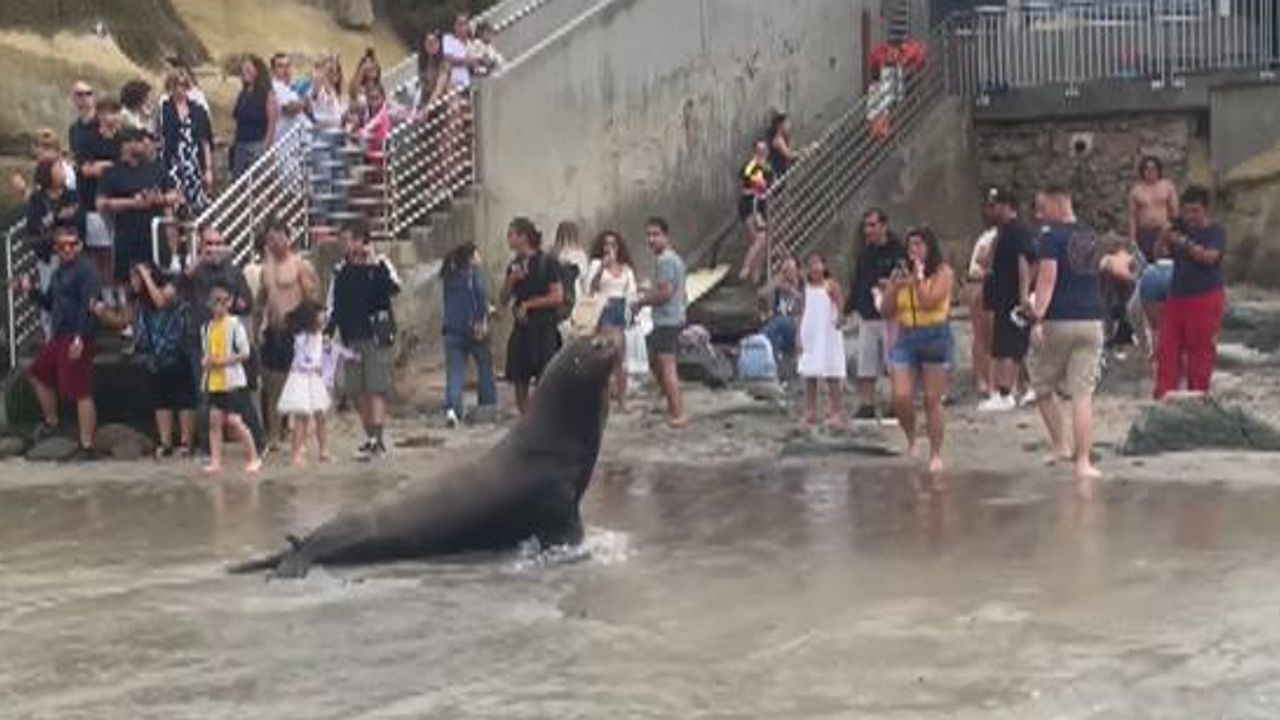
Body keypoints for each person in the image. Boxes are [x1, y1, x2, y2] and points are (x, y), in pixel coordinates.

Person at [1025, 187, 1105, 481]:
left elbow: (1047, 278)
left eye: (1042, 206)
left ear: (1060, 202)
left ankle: (1060, 446)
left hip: (1059, 319)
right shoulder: (1090, 235)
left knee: (1042, 384)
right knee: (1082, 395)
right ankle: (1083, 462)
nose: (1039, 214)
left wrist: (1037, 318)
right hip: (1092, 319)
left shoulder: (1050, 236)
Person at [182, 226, 267, 458]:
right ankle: (206, 449)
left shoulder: (233, 271)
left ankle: (259, 442)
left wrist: (239, 303)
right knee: (204, 396)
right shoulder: (194, 271)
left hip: (229, 342)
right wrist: (200, 259)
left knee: (239, 396)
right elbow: (180, 285)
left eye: (218, 243)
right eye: (209, 244)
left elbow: (248, 303)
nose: (214, 249)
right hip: (201, 340)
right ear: (200, 246)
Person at [21, 227, 101, 460]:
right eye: (62, 246)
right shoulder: (58, 273)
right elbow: (49, 303)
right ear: (56, 249)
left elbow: (91, 306)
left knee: (81, 390)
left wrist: (80, 337)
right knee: (37, 372)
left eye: (72, 244)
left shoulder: (88, 271)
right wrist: (31, 291)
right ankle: (52, 422)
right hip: (58, 336)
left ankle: (87, 445)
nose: (67, 249)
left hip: (78, 336)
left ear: (80, 245)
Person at [325, 221, 401, 459]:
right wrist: (329, 331)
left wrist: (372, 264)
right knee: (357, 391)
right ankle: (369, 436)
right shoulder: (341, 270)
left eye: (349, 239)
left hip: (376, 334)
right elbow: (334, 304)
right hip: (351, 335)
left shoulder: (380, 264)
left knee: (376, 388)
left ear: (362, 240)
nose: (345, 245)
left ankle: (377, 439)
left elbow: (392, 289)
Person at [883, 227, 955, 474]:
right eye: (911, 245)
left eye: (919, 245)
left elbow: (929, 300)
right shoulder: (901, 274)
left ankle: (936, 452)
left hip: (935, 334)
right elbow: (885, 310)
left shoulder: (943, 272)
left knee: (932, 400)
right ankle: (912, 439)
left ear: (930, 247)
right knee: (901, 396)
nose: (914, 250)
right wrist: (895, 286)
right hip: (906, 336)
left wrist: (919, 278)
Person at [98, 127, 180, 328]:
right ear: (125, 145)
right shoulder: (112, 173)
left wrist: (158, 199)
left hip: (154, 237)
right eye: (139, 141)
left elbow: (176, 195)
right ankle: (130, 329)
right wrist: (131, 202)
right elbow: (102, 203)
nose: (144, 145)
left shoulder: (156, 168)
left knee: (158, 279)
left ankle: (158, 328)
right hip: (126, 236)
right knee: (128, 285)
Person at [1155, 185, 1227, 400]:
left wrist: (1184, 243)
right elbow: (1159, 254)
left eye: (1195, 211)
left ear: (1205, 210)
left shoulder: (1215, 232)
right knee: (1167, 349)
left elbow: (1210, 258)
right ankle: (1164, 397)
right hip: (1177, 297)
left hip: (1206, 297)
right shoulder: (1179, 228)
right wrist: (1164, 236)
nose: (1190, 216)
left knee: (1200, 352)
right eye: (1186, 211)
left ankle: (1197, 397)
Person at [257, 219, 321, 452]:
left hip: (296, 331)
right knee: (272, 386)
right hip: (273, 331)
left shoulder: (300, 265)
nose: (274, 242)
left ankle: (300, 438)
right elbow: (262, 300)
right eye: (270, 238)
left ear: (288, 237)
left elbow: (312, 298)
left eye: (278, 237)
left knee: (298, 387)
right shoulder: (266, 267)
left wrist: (311, 333)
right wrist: (259, 328)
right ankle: (274, 436)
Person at [979, 187, 1036, 412]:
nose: (989, 211)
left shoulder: (1017, 230)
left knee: (1008, 347)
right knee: (1004, 344)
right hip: (1001, 296)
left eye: (994, 206)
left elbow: (1025, 261)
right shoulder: (1002, 232)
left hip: (1011, 298)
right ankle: (1016, 389)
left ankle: (1005, 393)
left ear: (1005, 206)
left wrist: (1023, 294)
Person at [501, 217, 564, 415]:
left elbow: (557, 296)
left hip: (543, 328)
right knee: (520, 378)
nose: (509, 240)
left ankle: (543, 416)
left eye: (512, 235)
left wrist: (530, 304)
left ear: (523, 236)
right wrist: (511, 281)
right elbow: (503, 298)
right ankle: (526, 417)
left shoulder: (547, 263)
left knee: (545, 378)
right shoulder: (514, 265)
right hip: (522, 329)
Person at [131, 262, 195, 458]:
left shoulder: (169, 292)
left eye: (136, 277)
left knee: (183, 398)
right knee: (161, 400)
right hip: (155, 358)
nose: (133, 282)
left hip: (177, 354)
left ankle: (185, 441)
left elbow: (160, 302)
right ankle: (165, 441)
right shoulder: (140, 304)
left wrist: (146, 276)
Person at [846, 207, 904, 420]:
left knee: (894, 364)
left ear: (883, 225)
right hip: (867, 315)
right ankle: (866, 404)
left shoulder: (897, 251)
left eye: (872, 225)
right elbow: (857, 283)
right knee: (866, 364)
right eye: (865, 226)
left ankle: (896, 404)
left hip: (890, 317)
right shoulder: (864, 254)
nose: (868, 230)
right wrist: (848, 309)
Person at [201, 279, 263, 475]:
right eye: (214, 301)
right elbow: (207, 352)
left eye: (221, 301)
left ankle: (253, 457)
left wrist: (223, 361)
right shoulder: (207, 328)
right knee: (214, 421)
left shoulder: (235, 325)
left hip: (233, 381)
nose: (217, 306)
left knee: (235, 422)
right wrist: (207, 362)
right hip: (215, 381)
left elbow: (245, 353)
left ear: (229, 303)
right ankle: (216, 461)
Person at [638, 217, 688, 428]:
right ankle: (672, 405)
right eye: (648, 235)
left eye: (656, 234)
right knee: (656, 361)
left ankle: (678, 413)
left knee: (667, 367)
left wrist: (642, 301)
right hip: (672, 318)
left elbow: (665, 293)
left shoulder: (665, 261)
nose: (651, 239)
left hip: (667, 320)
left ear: (666, 236)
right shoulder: (674, 259)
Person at [441, 241, 498, 427]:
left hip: (452, 329)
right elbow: (476, 301)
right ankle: (488, 405)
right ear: (471, 258)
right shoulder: (472, 277)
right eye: (477, 254)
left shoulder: (450, 277)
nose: (480, 258)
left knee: (455, 372)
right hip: (473, 330)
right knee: (485, 366)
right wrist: (480, 321)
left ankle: (453, 409)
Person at [587, 230, 639, 409]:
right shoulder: (596, 265)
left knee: (619, 356)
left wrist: (631, 311)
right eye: (606, 244)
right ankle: (601, 398)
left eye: (613, 244)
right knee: (604, 354)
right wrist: (602, 267)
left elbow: (631, 292)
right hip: (603, 308)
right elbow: (591, 288)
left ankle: (622, 399)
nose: (610, 248)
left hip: (620, 309)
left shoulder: (626, 269)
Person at [277, 300, 330, 467]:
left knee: (320, 415)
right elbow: (301, 359)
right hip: (301, 377)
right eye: (320, 316)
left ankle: (324, 450)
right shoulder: (300, 338)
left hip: (314, 379)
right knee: (301, 416)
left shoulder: (320, 336)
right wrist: (312, 366)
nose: (324, 319)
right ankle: (296, 452)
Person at [75, 97, 123, 284]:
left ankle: (113, 289)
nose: (114, 117)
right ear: (101, 115)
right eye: (110, 112)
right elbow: (86, 169)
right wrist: (110, 166)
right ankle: (100, 291)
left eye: (116, 113)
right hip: (94, 202)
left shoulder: (123, 138)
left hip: (118, 202)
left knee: (114, 252)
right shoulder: (89, 139)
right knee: (98, 253)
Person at [796, 252, 847, 427]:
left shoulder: (830, 285)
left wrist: (840, 317)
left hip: (827, 332)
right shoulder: (806, 289)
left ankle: (837, 411)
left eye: (817, 263)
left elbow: (840, 304)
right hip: (810, 332)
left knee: (832, 373)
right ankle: (810, 410)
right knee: (810, 374)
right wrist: (798, 335)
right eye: (810, 264)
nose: (814, 268)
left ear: (824, 266)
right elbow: (802, 311)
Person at [157, 70, 214, 216]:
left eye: (183, 85)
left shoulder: (198, 110)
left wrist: (208, 169)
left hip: (194, 163)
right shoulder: (164, 109)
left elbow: (205, 140)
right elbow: (158, 136)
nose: (179, 89)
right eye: (175, 85)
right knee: (174, 205)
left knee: (198, 206)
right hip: (172, 162)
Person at [966, 211, 998, 396]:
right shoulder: (991, 239)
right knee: (985, 336)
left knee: (987, 336)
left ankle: (987, 379)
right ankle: (983, 379)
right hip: (983, 285)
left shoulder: (992, 236)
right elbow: (979, 264)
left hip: (986, 285)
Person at [231, 54, 276, 178]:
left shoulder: (268, 94)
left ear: (257, 71)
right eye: (244, 70)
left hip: (257, 145)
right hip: (240, 145)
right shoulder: (243, 93)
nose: (245, 72)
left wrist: (265, 149)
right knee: (238, 183)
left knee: (258, 184)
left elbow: (272, 124)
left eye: (249, 69)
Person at [1129, 155, 1179, 263]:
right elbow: (1132, 217)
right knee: (1145, 264)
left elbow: (1175, 211)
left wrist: (1172, 228)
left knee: (1164, 262)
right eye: (1147, 168)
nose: (1150, 171)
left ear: (1158, 170)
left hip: (1163, 232)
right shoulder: (1136, 191)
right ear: (1142, 171)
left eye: (1153, 168)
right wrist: (1132, 240)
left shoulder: (1167, 186)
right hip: (1144, 233)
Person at [759, 254, 803, 369]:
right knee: (772, 325)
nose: (788, 274)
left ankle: (762, 347)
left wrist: (791, 290)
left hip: (797, 327)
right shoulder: (780, 286)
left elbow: (803, 312)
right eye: (785, 271)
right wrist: (777, 279)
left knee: (778, 322)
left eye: (790, 270)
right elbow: (762, 294)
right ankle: (772, 361)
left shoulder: (803, 286)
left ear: (798, 271)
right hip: (780, 328)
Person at [738, 139, 773, 283]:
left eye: (764, 150)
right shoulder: (750, 165)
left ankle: (755, 276)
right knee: (761, 238)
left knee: (762, 242)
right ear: (754, 152)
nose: (762, 153)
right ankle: (746, 267)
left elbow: (770, 185)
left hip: (761, 205)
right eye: (759, 151)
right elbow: (756, 182)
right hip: (750, 205)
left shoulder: (768, 168)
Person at [552, 221, 589, 318]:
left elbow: (583, 276)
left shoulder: (579, 254)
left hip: (573, 291)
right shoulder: (555, 253)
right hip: (561, 291)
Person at [270, 53, 310, 145]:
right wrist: (304, 101)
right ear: (273, 70)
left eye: (288, 66)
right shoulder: (275, 86)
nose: (285, 70)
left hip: (298, 141)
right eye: (280, 66)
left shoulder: (289, 88)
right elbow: (289, 109)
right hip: (286, 144)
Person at [416, 31, 451, 110]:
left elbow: (439, 88)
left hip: (441, 102)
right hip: (425, 100)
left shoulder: (444, 62)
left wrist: (428, 107)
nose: (433, 45)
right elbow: (422, 86)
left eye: (436, 42)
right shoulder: (423, 62)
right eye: (430, 43)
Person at [443, 13, 477, 92]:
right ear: (454, 26)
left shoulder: (471, 44)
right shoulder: (448, 39)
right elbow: (448, 59)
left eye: (466, 24)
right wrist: (467, 61)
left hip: (467, 85)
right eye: (460, 24)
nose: (463, 28)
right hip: (451, 85)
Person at [766, 112, 799, 177]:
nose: (789, 126)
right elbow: (789, 155)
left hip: (782, 171)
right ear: (779, 126)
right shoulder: (778, 140)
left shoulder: (784, 138)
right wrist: (806, 151)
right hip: (777, 172)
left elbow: (790, 152)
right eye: (786, 124)